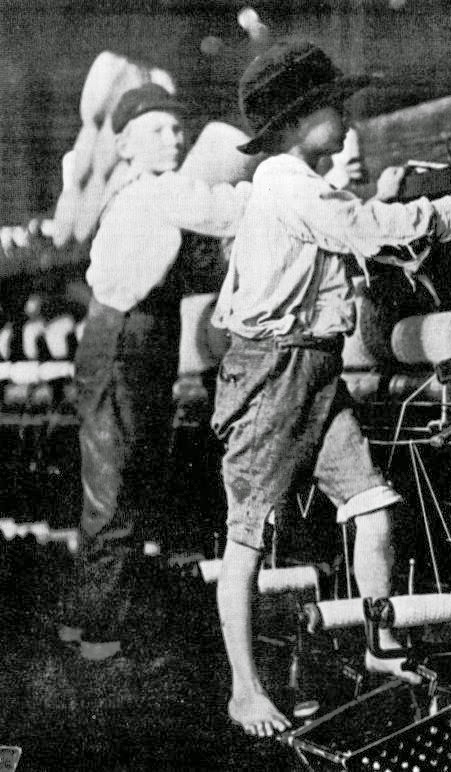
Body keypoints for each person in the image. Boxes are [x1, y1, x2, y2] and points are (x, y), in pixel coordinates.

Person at [211, 39, 451, 737]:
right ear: (291, 124)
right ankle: (243, 688)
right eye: (332, 106)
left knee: (374, 503)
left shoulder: (302, 184)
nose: (346, 118)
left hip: (314, 368)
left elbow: (359, 236)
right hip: (271, 373)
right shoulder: (286, 182)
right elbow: (368, 229)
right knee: (247, 538)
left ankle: (380, 641)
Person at [58, 83, 252, 661]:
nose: (176, 138)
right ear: (123, 144)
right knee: (116, 486)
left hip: (128, 338)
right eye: (159, 132)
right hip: (125, 339)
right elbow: (229, 211)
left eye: (177, 130)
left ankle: (87, 622)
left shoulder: (132, 194)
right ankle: (101, 645)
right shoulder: (158, 191)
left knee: (117, 481)